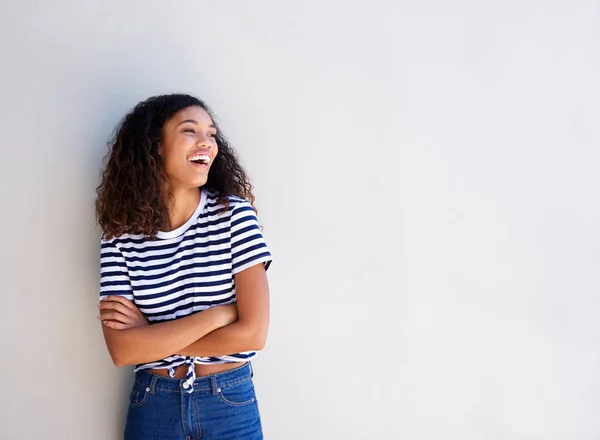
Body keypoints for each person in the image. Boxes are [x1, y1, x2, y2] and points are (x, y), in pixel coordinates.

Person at [95, 93, 272, 440]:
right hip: (153, 405)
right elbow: (122, 350)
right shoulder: (119, 238)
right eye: (190, 130)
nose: (206, 141)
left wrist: (152, 337)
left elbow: (254, 333)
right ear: (155, 147)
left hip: (229, 402)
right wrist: (220, 315)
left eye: (211, 134)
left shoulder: (234, 216)